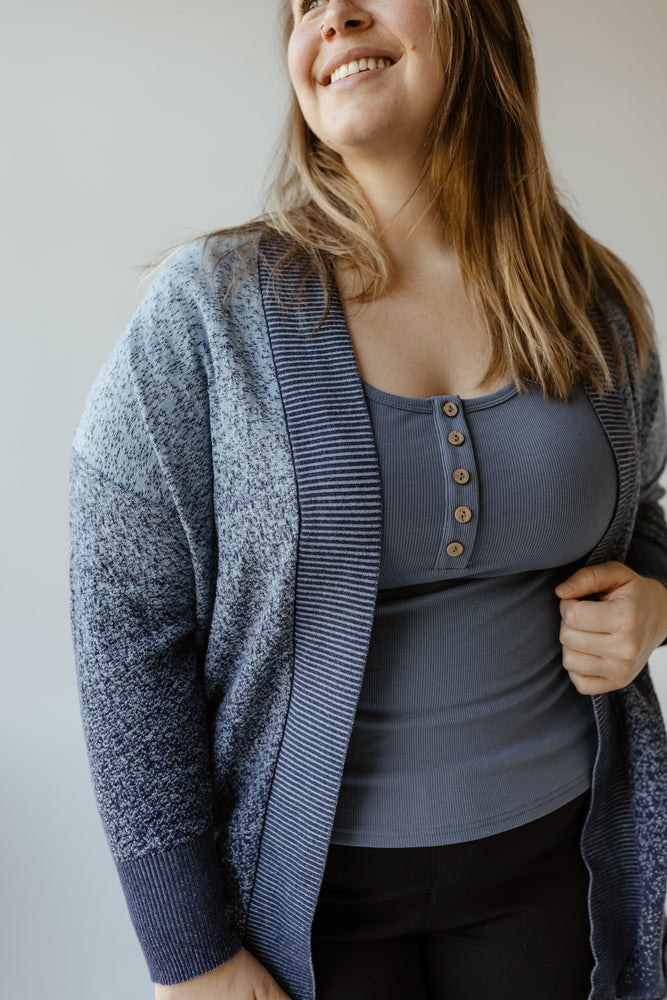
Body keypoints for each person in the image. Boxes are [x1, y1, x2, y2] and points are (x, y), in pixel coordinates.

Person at [68, 1, 667, 998]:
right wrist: (191, 954)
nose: (331, 17)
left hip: (557, 863)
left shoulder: (588, 300)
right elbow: (122, 625)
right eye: (301, 7)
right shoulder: (208, 312)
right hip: (310, 903)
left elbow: (638, 508)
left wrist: (653, 595)